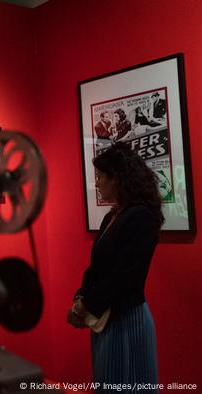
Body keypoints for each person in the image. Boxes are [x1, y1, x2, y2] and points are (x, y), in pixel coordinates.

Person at [67, 142, 163, 392]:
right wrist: (80, 296)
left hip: (126, 318)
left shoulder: (141, 215)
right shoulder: (113, 216)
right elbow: (97, 267)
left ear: (117, 179)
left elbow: (126, 276)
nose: (97, 183)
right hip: (105, 318)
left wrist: (86, 304)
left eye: (100, 177)